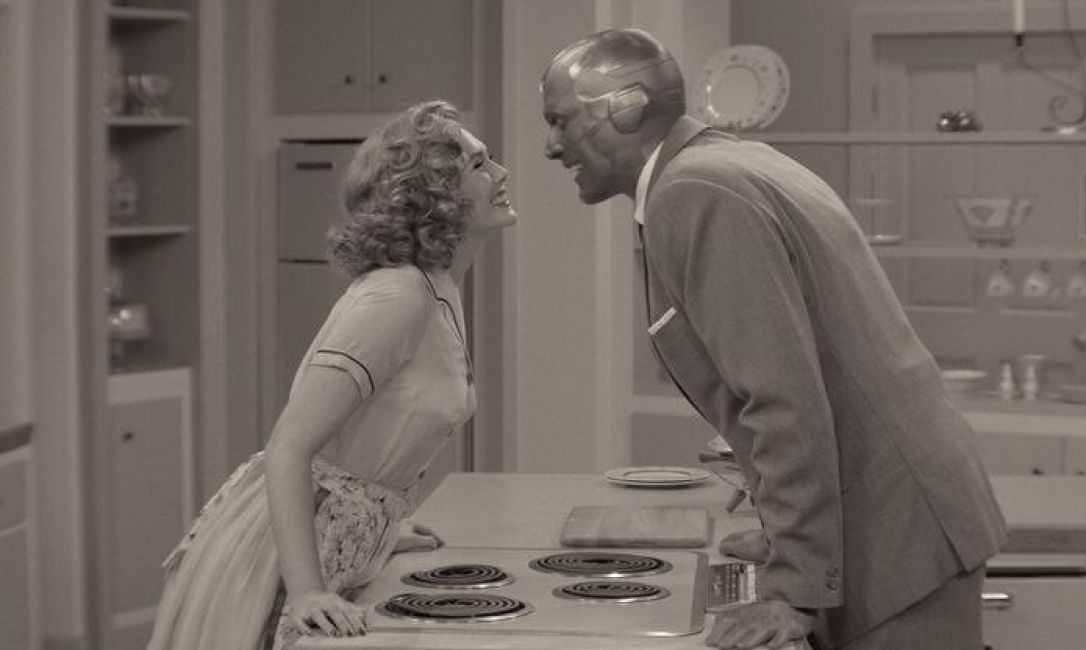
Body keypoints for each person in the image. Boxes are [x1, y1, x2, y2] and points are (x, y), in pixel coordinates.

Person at [541, 29, 1007, 650]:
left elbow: (784, 398)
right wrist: (786, 542)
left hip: (895, 536)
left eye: (560, 121)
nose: (551, 146)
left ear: (625, 109)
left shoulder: (694, 191)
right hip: (899, 515)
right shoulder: (728, 163)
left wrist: (795, 588)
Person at [147, 100, 517, 649]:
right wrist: (306, 594)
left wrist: (378, 527)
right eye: (480, 165)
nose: (501, 173)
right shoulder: (398, 296)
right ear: (437, 196)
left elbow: (368, 446)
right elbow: (288, 447)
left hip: (333, 539)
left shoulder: (438, 285)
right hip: (280, 556)